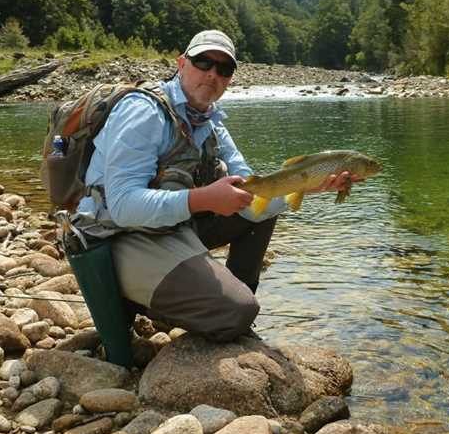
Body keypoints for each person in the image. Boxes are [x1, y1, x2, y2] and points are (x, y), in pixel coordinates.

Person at [73, 29, 354, 342]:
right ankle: (145, 302)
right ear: (182, 64)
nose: (212, 74)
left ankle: (228, 303)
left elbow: (254, 190)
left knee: (261, 213)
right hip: (116, 237)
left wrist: (310, 186)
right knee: (236, 313)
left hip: (168, 227)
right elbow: (123, 207)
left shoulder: (211, 122)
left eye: (224, 69)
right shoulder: (143, 112)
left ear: (230, 78)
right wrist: (203, 199)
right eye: (203, 62)